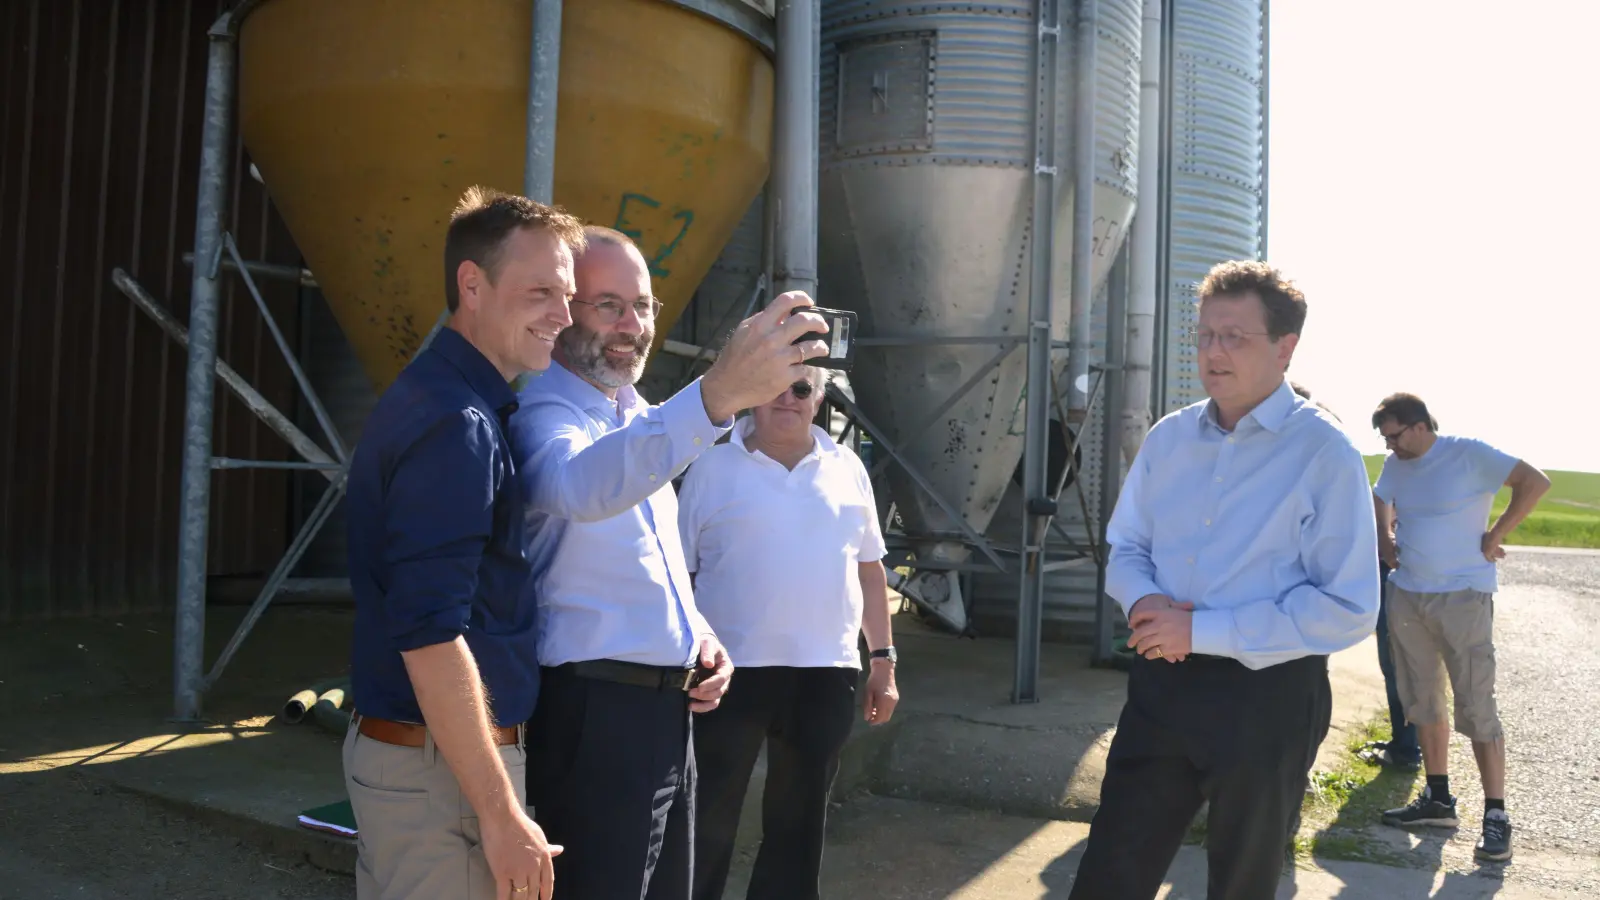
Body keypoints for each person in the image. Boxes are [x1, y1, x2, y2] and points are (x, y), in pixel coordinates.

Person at [508, 225, 830, 899]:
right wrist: (714, 396)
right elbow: (577, 489)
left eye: (645, 306)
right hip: (596, 717)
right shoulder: (542, 412)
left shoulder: (636, 415)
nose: (634, 325)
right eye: (610, 306)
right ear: (565, 311)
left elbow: (650, 561)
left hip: (663, 716)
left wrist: (697, 637)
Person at [1068, 260, 1380, 900]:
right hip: (1162, 686)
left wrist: (1201, 629)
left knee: (1242, 881)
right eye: (1206, 334)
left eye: (1234, 336)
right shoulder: (1171, 438)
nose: (1213, 351)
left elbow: (1349, 606)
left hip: (1265, 698)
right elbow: (1126, 545)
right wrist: (1148, 600)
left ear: (1285, 347)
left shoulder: (1324, 454)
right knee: (1110, 872)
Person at [343, 187, 581, 900]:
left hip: (425, 766)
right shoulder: (457, 424)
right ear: (471, 285)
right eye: (540, 291)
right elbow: (431, 633)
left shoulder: (443, 398)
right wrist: (501, 813)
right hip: (439, 776)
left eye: (567, 295)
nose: (563, 317)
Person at [676, 365, 901, 900]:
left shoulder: (847, 467)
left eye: (801, 388)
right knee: (706, 819)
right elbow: (678, 578)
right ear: (751, 393)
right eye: (774, 385)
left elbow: (870, 570)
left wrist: (883, 662)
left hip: (826, 672)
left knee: (799, 827)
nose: (787, 399)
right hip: (726, 674)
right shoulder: (711, 466)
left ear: (819, 398)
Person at [1370, 392, 1550, 862]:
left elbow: (1534, 482)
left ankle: (1496, 816)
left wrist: (1496, 534)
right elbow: (1379, 497)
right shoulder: (1396, 465)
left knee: (1475, 701)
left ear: (1419, 425)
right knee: (1423, 698)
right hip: (1407, 594)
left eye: (1394, 436)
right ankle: (1438, 799)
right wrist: (1385, 540)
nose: (1390, 446)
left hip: (1463, 596)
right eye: (1385, 438)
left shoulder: (1469, 453)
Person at [1289, 383, 1420, 772]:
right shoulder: (1336, 446)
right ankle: (1404, 744)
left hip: (1332, 583)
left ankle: (1408, 747)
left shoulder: (1321, 445)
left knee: (1395, 663)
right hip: (1328, 583)